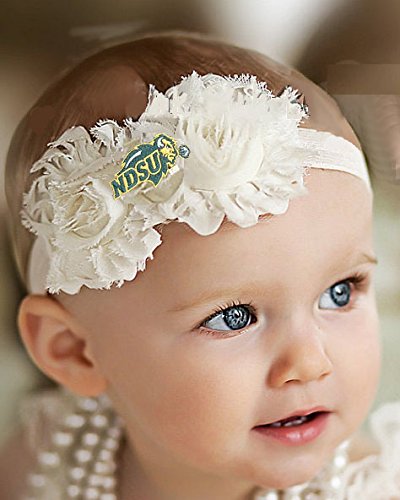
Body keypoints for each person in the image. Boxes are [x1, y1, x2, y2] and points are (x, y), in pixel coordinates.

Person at [2, 30, 400, 500]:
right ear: (74, 351)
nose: (310, 364)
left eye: (340, 292)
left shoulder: (370, 489)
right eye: (233, 317)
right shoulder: (42, 461)